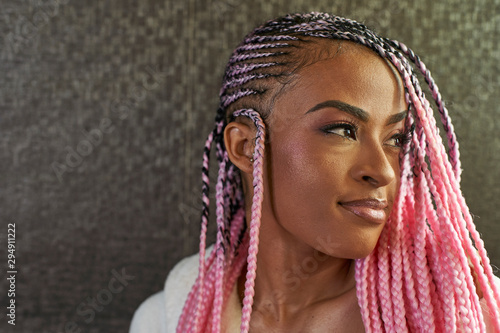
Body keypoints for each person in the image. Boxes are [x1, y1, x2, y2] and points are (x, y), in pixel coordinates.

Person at [130, 12, 500, 332]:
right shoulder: (168, 319)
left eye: (397, 138)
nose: (384, 171)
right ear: (246, 146)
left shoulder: (461, 313)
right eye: (342, 130)